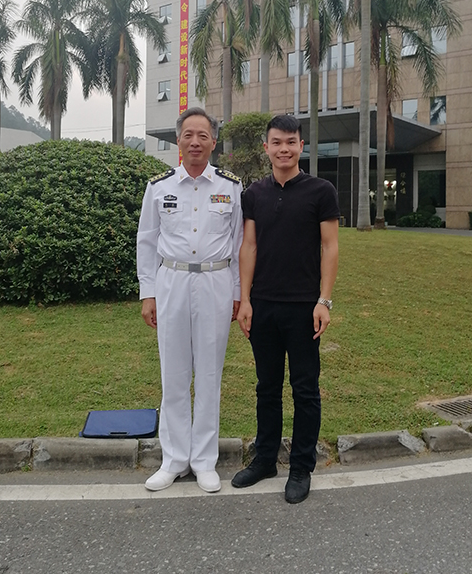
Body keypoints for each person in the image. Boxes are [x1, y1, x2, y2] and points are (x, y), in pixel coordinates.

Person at [231, 114, 339, 504]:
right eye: (277, 142)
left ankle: (300, 467)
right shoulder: (254, 194)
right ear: (266, 147)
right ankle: (264, 460)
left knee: (305, 389)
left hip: (304, 308)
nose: (284, 149)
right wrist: (245, 300)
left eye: (291, 142)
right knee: (267, 387)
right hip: (263, 305)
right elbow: (249, 247)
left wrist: (324, 301)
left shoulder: (321, 191)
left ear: (301, 146)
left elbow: (330, 247)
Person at [137, 107, 243, 493]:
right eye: (188, 135)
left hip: (216, 282)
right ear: (178, 141)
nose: (195, 142)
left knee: (210, 374)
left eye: (203, 135)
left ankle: (204, 461)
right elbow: (147, 241)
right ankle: (174, 459)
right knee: (174, 374)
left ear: (213, 141)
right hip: (172, 282)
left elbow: (239, 244)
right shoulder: (159, 187)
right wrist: (148, 292)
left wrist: (237, 293)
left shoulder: (231, 187)